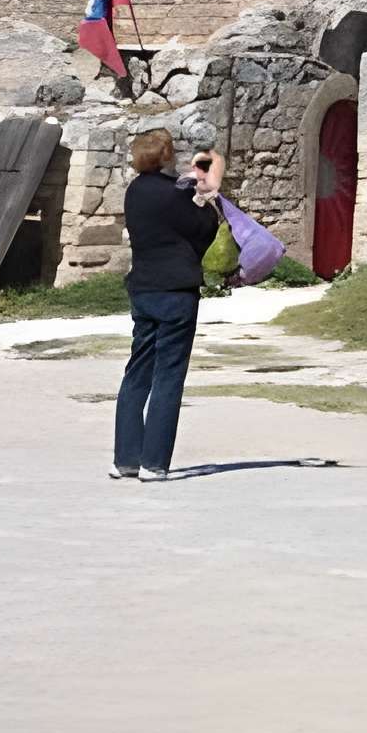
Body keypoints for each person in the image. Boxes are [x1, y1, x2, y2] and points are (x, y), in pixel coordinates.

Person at [113, 130, 220, 482]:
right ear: (165, 157)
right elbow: (203, 230)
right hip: (175, 289)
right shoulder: (176, 193)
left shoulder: (135, 190)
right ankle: (154, 462)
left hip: (143, 288)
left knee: (137, 372)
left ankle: (126, 459)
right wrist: (206, 201)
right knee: (168, 376)